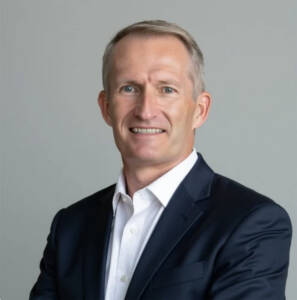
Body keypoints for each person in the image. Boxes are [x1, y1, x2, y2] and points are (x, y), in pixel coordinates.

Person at [30, 20, 292, 300]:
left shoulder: (251, 222)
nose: (145, 110)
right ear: (106, 108)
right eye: (129, 88)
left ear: (200, 110)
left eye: (167, 89)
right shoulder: (70, 227)